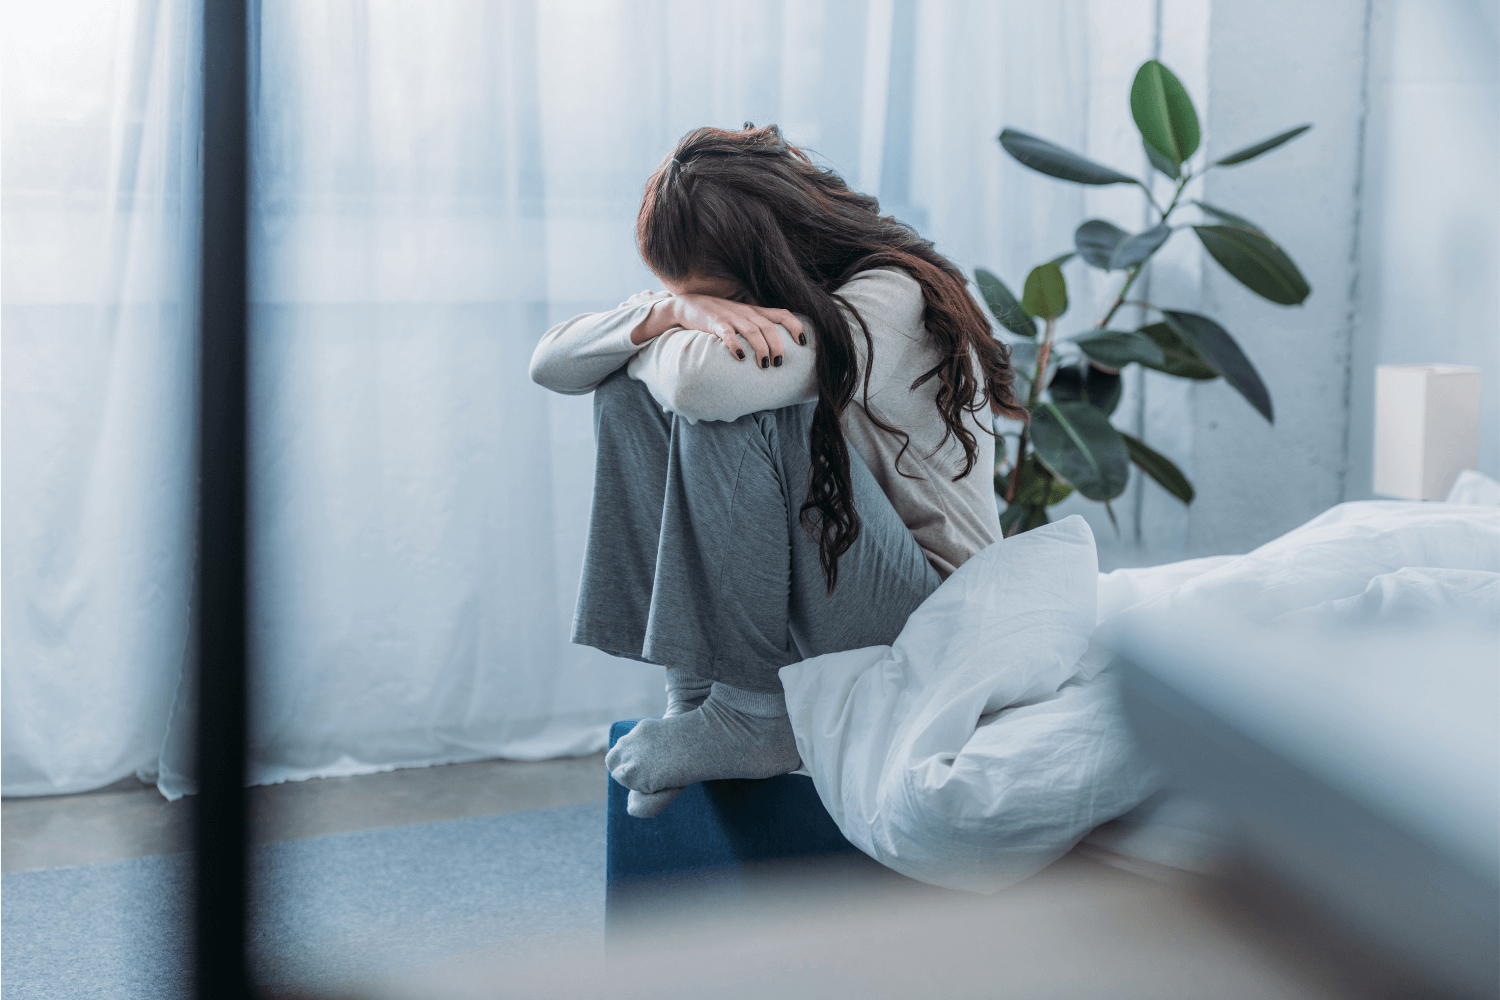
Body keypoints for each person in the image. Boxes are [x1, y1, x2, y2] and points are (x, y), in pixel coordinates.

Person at [529, 124, 1024, 818]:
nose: (712, 316)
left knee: (755, 407)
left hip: (932, 618)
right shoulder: (777, 299)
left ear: (767, 260)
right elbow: (550, 363)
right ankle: (699, 693)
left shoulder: (893, 297)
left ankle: (754, 714)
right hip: (843, 590)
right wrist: (668, 313)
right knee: (622, 386)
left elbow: (707, 390)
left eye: (715, 297)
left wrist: (667, 330)